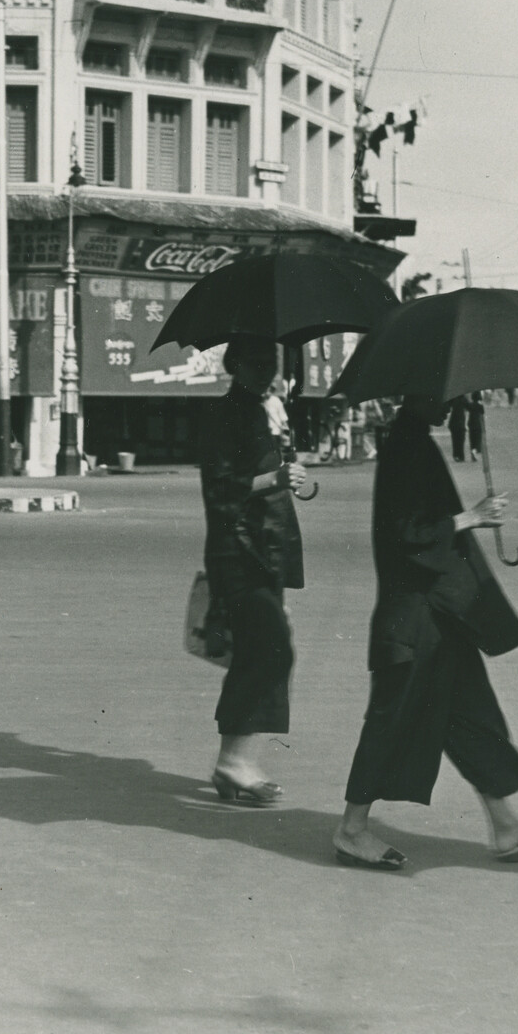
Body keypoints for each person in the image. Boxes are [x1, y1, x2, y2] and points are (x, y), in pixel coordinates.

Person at [332, 395, 518, 870]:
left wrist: (472, 519)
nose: (451, 403)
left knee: (468, 713)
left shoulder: (415, 440)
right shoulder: (404, 444)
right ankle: (351, 829)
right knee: (391, 719)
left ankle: (505, 825)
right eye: (444, 394)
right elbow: (406, 533)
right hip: (414, 616)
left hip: (440, 612)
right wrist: (472, 517)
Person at [198, 335, 307, 804]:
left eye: (273, 362)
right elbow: (221, 489)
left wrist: (291, 472)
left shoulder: (265, 410)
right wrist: (277, 478)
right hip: (239, 551)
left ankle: (234, 764)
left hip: (266, 549)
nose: (268, 370)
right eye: (259, 361)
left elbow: (271, 476)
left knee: (261, 651)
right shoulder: (227, 413)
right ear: (235, 363)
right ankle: (233, 762)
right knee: (271, 651)